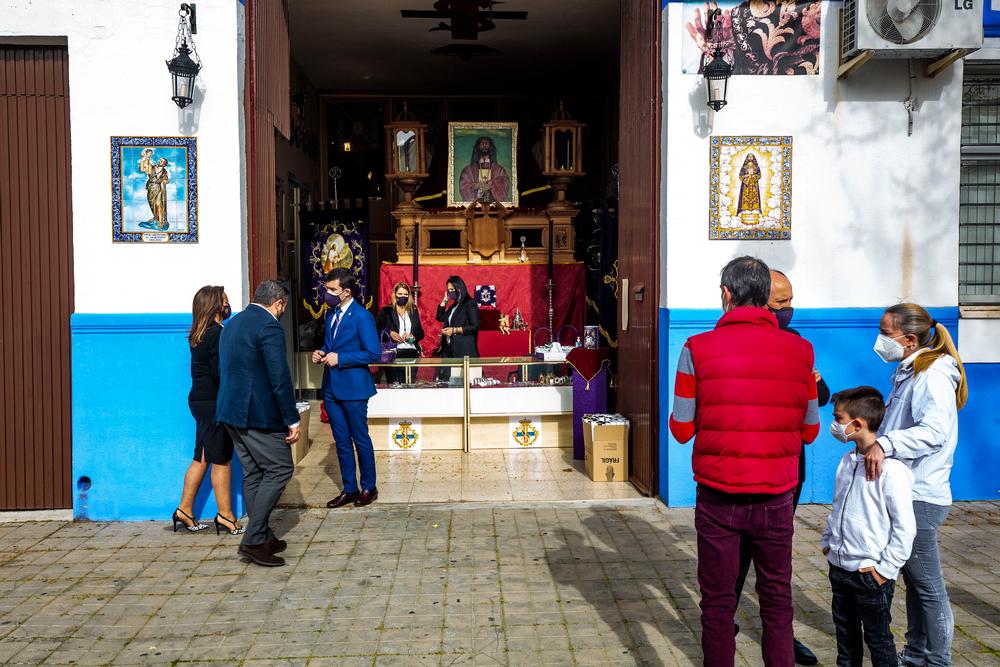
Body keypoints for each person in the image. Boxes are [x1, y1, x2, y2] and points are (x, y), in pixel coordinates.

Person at [669, 256, 820, 667]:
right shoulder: (801, 352)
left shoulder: (695, 348)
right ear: (766, 298)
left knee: (717, 605)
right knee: (776, 602)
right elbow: (810, 430)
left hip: (719, 497)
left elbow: (681, 428)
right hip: (776, 496)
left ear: (726, 295)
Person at [733, 269, 830, 665]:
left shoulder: (796, 345)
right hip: (740, 469)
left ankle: (782, 638)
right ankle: (724, 622)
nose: (788, 310)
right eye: (780, 304)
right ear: (758, 302)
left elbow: (820, 396)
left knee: (774, 567)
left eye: (791, 301)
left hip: (785, 470)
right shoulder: (729, 344)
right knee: (736, 557)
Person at [863, 304, 968, 667]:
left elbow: (933, 433)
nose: (879, 340)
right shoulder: (911, 371)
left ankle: (936, 660)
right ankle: (918, 653)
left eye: (885, 331)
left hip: (921, 494)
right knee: (915, 583)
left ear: (908, 340)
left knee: (929, 589)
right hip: (908, 490)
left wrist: (885, 445)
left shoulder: (932, 375)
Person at [822, 386, 916, 667]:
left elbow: (905, 528)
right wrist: (829, 542)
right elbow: (838, 506)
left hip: (870, 575)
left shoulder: (894, 471)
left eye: (838, 418)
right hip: (840, 569)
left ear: (858, 424)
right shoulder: (846, 461)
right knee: (845, 638)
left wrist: (884, 569)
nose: (835, 425)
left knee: (878, 640)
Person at [216, 280, 301, 567]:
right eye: (283, 308)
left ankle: (262, 534)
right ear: (278, 303)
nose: (282, 312)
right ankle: (253, 540)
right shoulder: (269, 327)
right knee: (280, 468)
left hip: (230, 409)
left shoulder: (234, 323)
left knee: (253, 472)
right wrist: (291, 417)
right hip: (258, 414)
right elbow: (279, 377)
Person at [172, 286, 244, 536]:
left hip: (199, 401)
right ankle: (226, 516)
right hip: (215, 402)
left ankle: (184, 510)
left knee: (201, 456)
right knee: (221, 459)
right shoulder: (218, 334)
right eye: (225, 301)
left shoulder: (198, 335)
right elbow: (220, 373)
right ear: (215, 306)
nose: (228, 304)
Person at [314, 268, 381, 509]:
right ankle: (349, 488)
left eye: (333, 290)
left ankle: (369, 487)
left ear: (346, 292)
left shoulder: (362, 317)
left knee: (360, 438)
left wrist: (340, 358)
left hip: (354, 388)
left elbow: (373, 353)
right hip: (331, 386)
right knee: (341, 441)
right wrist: (322, 352)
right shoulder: (330, 314)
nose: (327, 294)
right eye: (327, 289)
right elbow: (330, 343)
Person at [376, 281, 425, 384]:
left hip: (411, 353)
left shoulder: (413, 310)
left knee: (409, 384)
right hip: (393, 353)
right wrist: (390, 333)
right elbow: (376, 331)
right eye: (400, 294)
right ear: (395, 295)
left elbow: (421, 333)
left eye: (405, 294)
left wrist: (413, 336)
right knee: (394, 385)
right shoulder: (386, 311)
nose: (403, 296)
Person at [458, 136, 511, 203]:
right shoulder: (469, 170)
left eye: (486, 143)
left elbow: (505, 182)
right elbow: (464, 185)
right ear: (478, 147)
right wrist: (476, 186)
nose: (484, 145)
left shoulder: (499, 169)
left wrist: (492, 183)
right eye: (482, 143)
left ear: (490, 146)